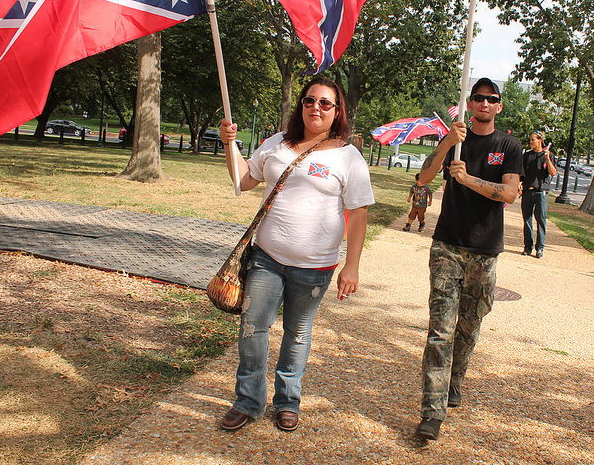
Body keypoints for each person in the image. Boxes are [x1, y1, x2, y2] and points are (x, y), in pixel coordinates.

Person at [217, 77, 375, 432]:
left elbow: (360, 214)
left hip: (315, 266)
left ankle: (287, 401)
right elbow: (243, 180)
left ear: (337, 112)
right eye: (309, 101)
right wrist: (231, 145)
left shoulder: (347, 157)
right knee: (253, 327)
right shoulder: (276, 144)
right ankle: (248, 400)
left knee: (298, 334)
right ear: (301, 105)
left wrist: (352, 266)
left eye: (325, 103)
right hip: (266, 257)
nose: (315, 108)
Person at [414, 78, 523, 440]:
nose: (484, 104)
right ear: (470, 103)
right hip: (448, 245)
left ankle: (455, 378)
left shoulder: (508, 145)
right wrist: (447, 143)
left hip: (485, 251)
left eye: (491, 100)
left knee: (469, 326)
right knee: (440, 331)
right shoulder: (456, 141)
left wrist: (469, 180)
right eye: (478, 98)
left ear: (499, 106)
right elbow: (423, 176)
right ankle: (432, 411)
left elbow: (508, 194)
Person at [520, 131, 557, 258]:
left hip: (541, 192)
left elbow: (553, 173)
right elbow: (521, 173)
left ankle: (540, 248)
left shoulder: (548, 155)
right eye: (530, 140)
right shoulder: (527, 156)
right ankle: (527, 247)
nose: (531, 142)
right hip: (527, 191)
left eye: (533, 140)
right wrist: (520, 183)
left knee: (541, 220)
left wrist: (547, 158)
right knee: (527, 220)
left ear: (540, 141)